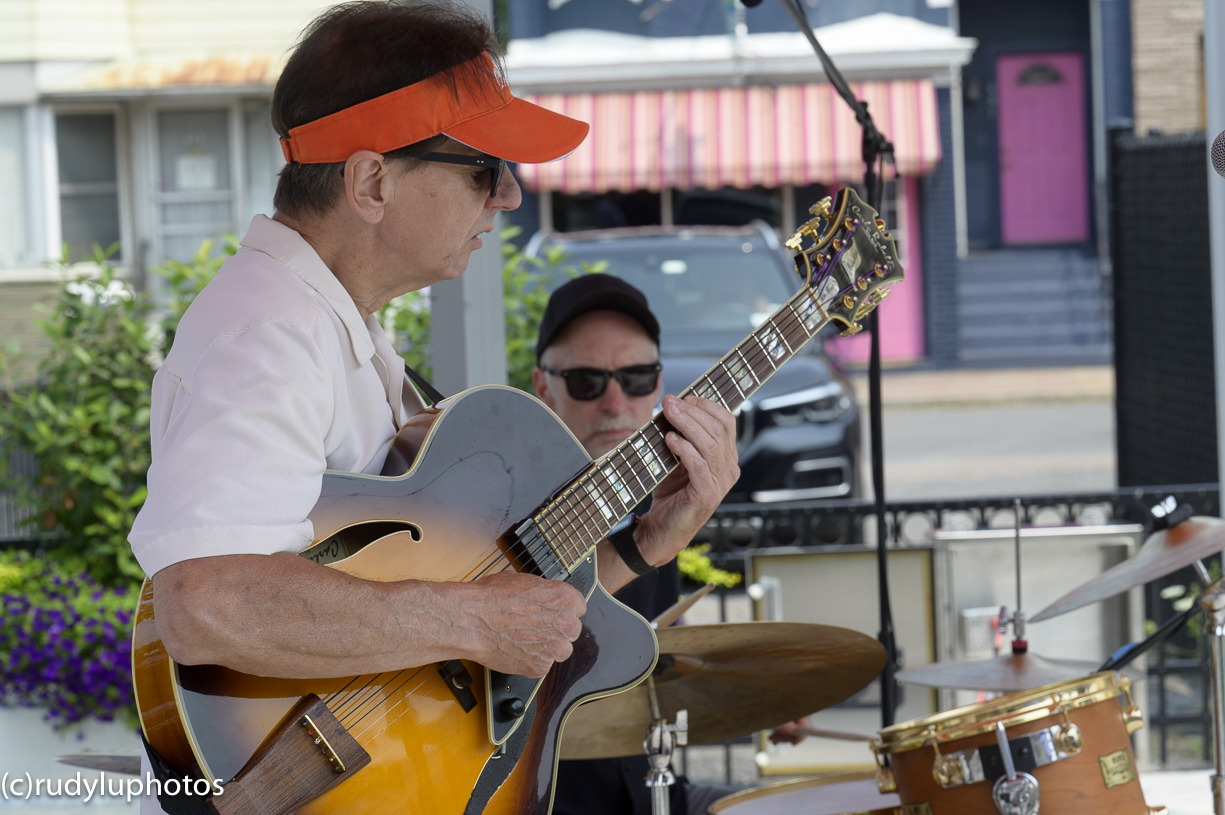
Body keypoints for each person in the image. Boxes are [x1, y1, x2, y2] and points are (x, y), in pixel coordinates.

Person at [127, 3, 740, 814]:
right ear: (372, 180)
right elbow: (207, 603)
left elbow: (474, 609)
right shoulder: (267, 332)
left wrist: (644, 542)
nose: (510, 196)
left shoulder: (337, 328)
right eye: (484, 168)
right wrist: (466, 619)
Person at [534, 276, 804, 815]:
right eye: (588, 381)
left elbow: (658, 648)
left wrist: (757, 691)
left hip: (653, 793)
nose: (616, 401)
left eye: (636, 378)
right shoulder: (510, 507)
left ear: (659, 387)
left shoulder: (654, 499)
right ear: (544, 388)